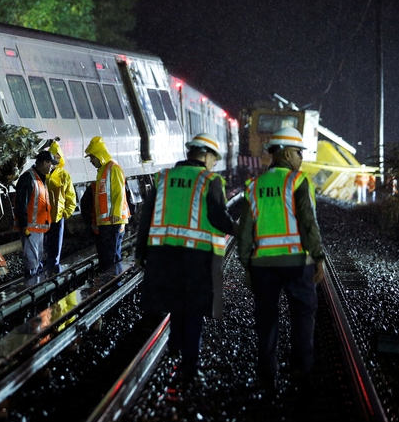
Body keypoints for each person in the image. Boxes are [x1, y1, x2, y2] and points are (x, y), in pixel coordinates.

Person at [135, 133, 238, 382]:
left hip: (163, 255)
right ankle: (190, 366)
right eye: (214, 157)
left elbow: (146, 217)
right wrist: (240, 229)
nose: (214, 162)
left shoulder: (164, 178)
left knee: (175, 305)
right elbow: (218, 217)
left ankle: (174, 349)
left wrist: (141, 252)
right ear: (204, 154)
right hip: (197, 257)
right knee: (193, 310)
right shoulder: (209, 180)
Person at [238, 126, 325, 391]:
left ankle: (267, 374)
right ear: (287, 153)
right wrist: (318, 256)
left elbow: (245, 231)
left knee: (266, 318)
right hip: (297, 263)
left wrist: (247, 265)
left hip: (263, 265)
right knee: (303, 315)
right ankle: (301, 371)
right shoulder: (298, 182)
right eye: (299, 152)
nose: (301, 158)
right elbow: (308, 224)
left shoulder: (253, 186)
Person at [84, 136, 130, 273]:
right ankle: (110, 284)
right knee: (107, 257)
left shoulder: (113, 168)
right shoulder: (103, 170)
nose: (91, 161)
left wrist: (116, 213)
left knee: (111, 258)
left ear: (99, 155)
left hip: (113, 220)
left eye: (92, 157)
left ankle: (115, 285)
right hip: (106, 222)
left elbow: (119, 192)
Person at [13, 151, 55, 277]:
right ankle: (31, 284)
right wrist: (24, 225)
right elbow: (21, 203)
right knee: (31, 259)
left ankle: (36, 282)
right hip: (29, 228)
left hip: (38, 228)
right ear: (44, 162)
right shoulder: (28, 178)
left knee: (37, 258)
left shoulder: (40, 179)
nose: (52, 167)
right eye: (51, 164)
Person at [45, 141, 77, 274]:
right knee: (45, 245)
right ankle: (47, 268)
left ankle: (53, 269)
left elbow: (70, 196)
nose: (56, 160)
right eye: (54, 157)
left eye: (58, 157)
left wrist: (66, 212)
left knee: (55, 246)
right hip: (44, 217)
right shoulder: (43, 174)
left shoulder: (64, 175)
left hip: (58, 217)